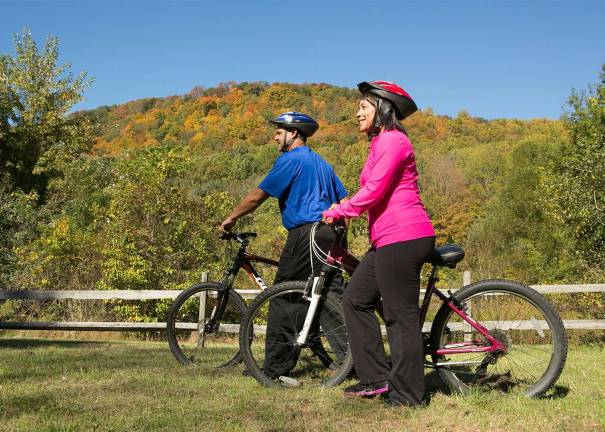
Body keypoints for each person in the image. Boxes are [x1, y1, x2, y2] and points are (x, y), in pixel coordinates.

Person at [322, 81, 435, 407]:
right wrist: (342, 206)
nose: (357, 113)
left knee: (400, 318)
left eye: (364, 107)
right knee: (355, 299)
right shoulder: (379, 144)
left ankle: (408, 395)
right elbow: (369, 190)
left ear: (383, 109)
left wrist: (342, 209)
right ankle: (376, 378)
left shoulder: (394, 141)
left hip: (404, 236)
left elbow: (374, 190)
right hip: (387, 239)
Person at [220, 111, 348, 378]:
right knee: (330, 298)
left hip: (306, 232)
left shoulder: (291, 159)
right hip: (331, 233)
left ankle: (274, 368)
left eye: (279, 131)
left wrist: (231, 218)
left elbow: (258, 196)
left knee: (284, 296)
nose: (275, 135)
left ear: (294, 133)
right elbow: (343, 199)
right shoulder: (323, 163)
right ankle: (353, 363)